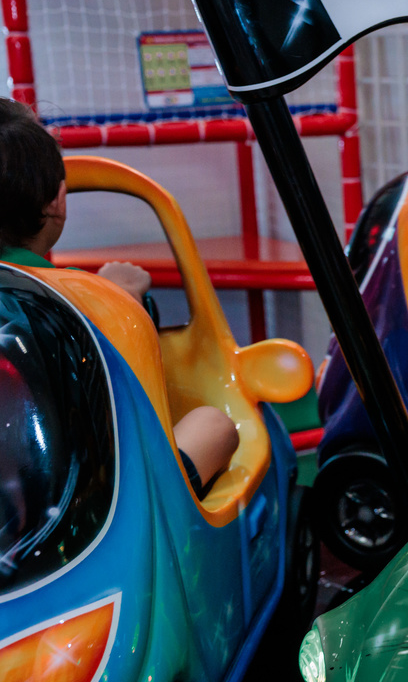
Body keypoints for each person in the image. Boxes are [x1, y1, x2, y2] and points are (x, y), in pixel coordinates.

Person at [0, 98, 239, 499]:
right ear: (58, 200)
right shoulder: (76, 295)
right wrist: (120, 295)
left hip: (15, 509)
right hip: (85, 501)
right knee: (214, 424)